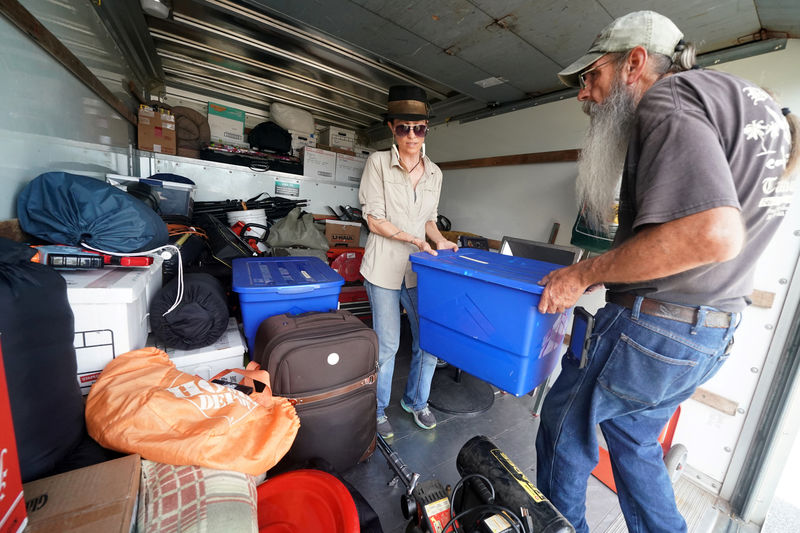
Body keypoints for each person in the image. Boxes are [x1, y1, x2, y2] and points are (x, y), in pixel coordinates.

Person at [534, 10, 797, 533]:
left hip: (653, 328)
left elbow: (712, 234)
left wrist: (582, 276)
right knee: (633, 441)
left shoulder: (668, 98)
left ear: (634, 63)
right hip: (710, 337)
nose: (584, 94)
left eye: (593, 77)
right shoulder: (745, 102)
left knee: (563, 429)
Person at [358, 85, 459, 439]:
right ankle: (377, 409)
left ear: (426, 130)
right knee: (387, 345)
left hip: (419, 271)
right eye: (404, 128)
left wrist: (439, 240)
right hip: (384, 268)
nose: (412, 136)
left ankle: (416, 401)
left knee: (430, 340)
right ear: (392, 128)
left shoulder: (436, 173)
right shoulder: (376, 164)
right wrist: (413, 238)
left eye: (419, 128)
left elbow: (430, 219)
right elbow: (374, 219)